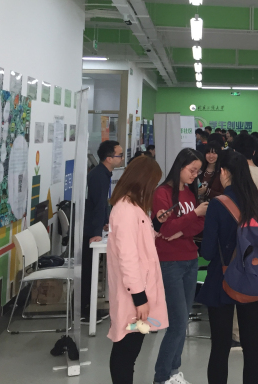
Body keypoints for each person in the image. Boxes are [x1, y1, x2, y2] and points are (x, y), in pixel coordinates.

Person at [197, 151, 258, 384]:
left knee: (220, 346)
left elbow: (207, 252)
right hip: (252, 278)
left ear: (223, 172)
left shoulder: (217, 205)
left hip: (221, 280)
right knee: (251, 343)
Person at [107, 156, 168, 384]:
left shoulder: (134, 208)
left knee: (130, 350)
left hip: (137, 290)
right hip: (132, 294)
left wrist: (157, 223)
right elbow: (128, 259)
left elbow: (143, 242)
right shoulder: (125, 210)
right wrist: (140, 298)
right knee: (125, 351)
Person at [152, 149, 209, 384]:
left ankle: (173, 372)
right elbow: (165, 228)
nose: (195, 175)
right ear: (180, 166)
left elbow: (200, 225)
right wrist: (193, 215)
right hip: (170, 262)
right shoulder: (162, 193)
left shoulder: (190, 193)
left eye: (197, 172)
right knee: (176, 323)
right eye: (192, 170)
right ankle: (162, 376)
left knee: (182, 320)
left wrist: (182, 231)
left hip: (190, 258)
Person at [82, 140, 123, 318]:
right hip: (89, 229)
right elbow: (98, 205)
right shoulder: (99, 176)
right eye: (119, 155)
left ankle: (88, 307)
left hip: (94, 225)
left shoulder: (103, 174)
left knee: (91, 268)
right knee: (88, 269)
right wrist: (97, 233)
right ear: (109, 158)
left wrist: (105, 222)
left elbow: (102, 205)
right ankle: (84, 310)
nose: (122, 158)